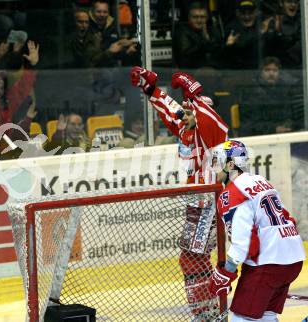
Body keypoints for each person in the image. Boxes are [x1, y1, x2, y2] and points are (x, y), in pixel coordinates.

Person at [131, 66, 229, 321]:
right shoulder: (189, 129)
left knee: (192, 258)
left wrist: (194, 95)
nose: (183, 116)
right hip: (197, 206)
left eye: (189, 112)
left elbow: (213, 122)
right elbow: (171, 112)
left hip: (210, 204)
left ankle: (208, 312)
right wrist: (150, 89)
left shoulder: (212, 132)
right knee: (193, 259)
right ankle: (209, 310)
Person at [208, 139, 305, 321]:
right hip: (294, 258)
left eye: (218, 161)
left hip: (269, 262)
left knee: (242, 317)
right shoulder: (259, 180)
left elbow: (245, 242)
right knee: (266, 316)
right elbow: (287, 217)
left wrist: (226, 272)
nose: (214, 168)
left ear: (230, 165)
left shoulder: (230, 194)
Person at [173, 1, 223, 69]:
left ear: (207, 17)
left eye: (202, 17)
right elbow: (188, 54)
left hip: (213, 69)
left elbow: (218, 49)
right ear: (189, 18)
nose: (199, 20)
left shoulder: (212, 30)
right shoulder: (182, 32)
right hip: (191, 71)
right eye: (195, 17)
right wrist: (205, 39)